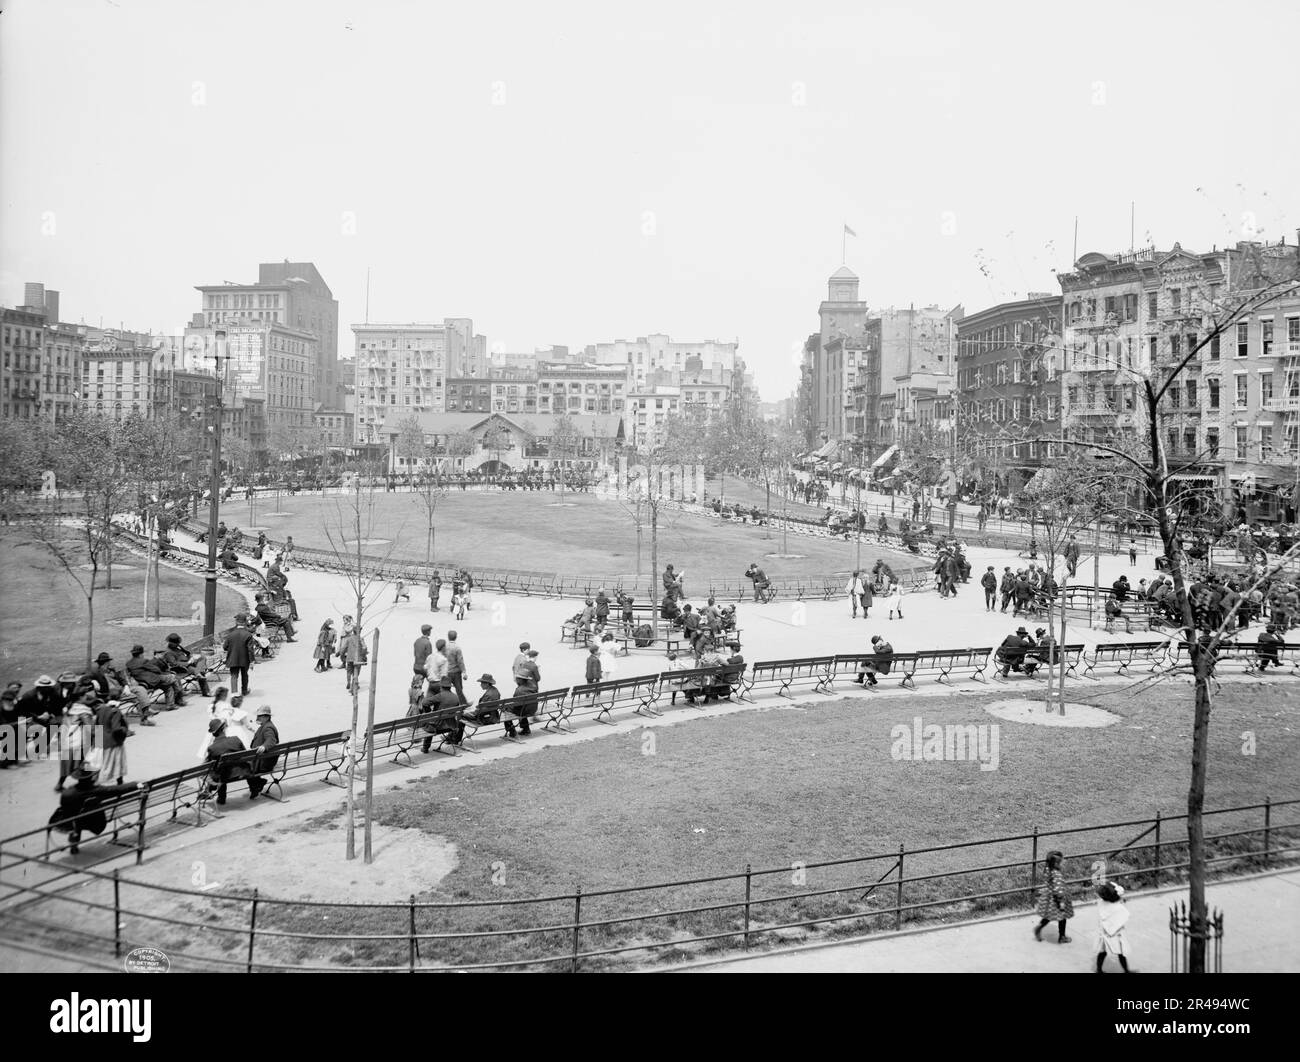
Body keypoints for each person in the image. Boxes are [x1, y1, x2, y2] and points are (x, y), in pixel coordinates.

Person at [47, 767, 145, 854]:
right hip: (94, 821)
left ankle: (74, 845)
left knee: (76, 813)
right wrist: (136, 784)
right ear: (91, 778)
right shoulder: (97, 790)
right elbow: (118, 789)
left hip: (73, 821)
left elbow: (64, 806)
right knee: (82, 813)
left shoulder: (68, 792)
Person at [204, 718, 264, 804]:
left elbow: (212, 767)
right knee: (241, 764)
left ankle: (221, 797)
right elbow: (245, 755)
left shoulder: (212, 748)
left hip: (225, 776)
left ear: (213, 734)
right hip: (243, 772)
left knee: (219, 770)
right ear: (223, 728)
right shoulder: (235, 739)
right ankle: (254, 789)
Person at [1032, 849, 1073, 944]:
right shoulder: (1057, 874)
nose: (1062, 863)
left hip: (1049, 898)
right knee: (1062, 918)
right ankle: (1062, 936)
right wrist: (1061, 902)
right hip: (1057, 899)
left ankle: (1039, 927)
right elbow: (1058, 889)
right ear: (1056, 864)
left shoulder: (1048, 869)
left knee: (1048, 916)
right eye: (1061, 862)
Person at [1094, 881, 1131, 973]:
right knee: (1121, 952)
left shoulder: (1102, 903)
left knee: (1102, 951)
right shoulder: (1119, 908)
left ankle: (1098, 969)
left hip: (1104, 931)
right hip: (1116, 933)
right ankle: (1126, 970)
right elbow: (1124, 916)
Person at [94, 696, 132, 784]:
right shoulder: (116, 711)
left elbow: (96, 724)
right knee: (116, 763)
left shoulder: (100, 709)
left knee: (102, 762)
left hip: (100, 739)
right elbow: (116, 728)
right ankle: (118, 783)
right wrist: (125, 730)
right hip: (113, 741)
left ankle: (97, 781)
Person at [223, 617, 256, 696]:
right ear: (245, 622)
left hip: (233, 658)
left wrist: (232, 649)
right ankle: (244, 691)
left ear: (236, 622)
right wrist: (252, 661)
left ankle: (234, 693)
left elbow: (225, 647)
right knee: (244, 674)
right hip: (245, 659)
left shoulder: (230, 634)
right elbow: (250, 650)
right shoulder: (248, 634)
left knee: (234, 675)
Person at [445, 630, 468, 705]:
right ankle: (463, 703)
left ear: (448, 637)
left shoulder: (444, 647)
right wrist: (464, 672)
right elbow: (460, 661)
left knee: (446, 689)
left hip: (447, 671)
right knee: (459, 689)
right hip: (456, 672)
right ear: (456, 637)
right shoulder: (457, 648)